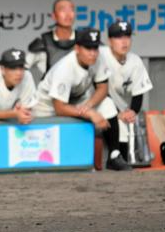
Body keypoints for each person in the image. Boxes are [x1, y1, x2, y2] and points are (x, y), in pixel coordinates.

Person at [32, 28, 131, 171]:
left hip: (76, 102)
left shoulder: (98, 58)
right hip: (46, 110)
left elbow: (103, 88)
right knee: (43, 157)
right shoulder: (65, 68)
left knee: (108, 104)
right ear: (77, 48)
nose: (93, 53)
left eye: (95, 48)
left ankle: (114, 156)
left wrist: (89, 105)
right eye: (88, 48)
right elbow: (59, 108)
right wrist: (89, 113)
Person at [99, 20, 153, 158]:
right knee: (113, 113)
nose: (124, 42)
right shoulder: (101, 55)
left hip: (118, 104)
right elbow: (96, 88)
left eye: (127, 36)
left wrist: (132, 112)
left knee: (128, 123)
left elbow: (139, 93)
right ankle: (115, 159)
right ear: (109, 40)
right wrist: (118, 114)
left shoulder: (135, 61)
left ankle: (123, 160)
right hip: (95, 101)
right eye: (118, 37)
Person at [26, 0, 76, 79]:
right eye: (63, 10)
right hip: (51, 90)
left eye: (71, 10)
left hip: (80, 90)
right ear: (54, 16)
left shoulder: (84, 41)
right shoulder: (43, 44)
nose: (68, 14)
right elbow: (20, 69)